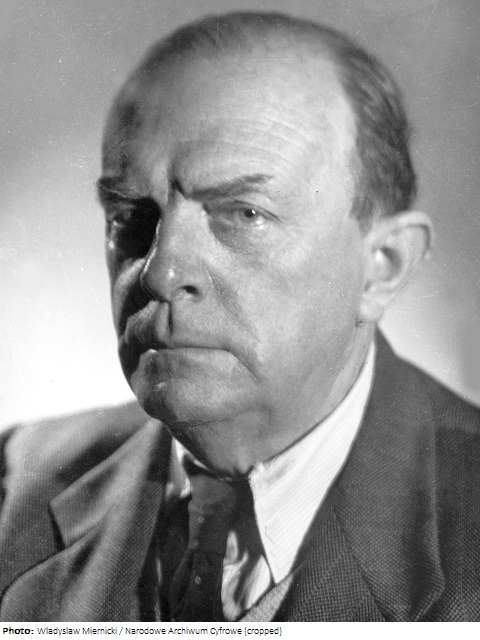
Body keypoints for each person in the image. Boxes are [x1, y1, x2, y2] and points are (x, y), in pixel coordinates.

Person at [1, 11, 480, 623]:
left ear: (382, 266)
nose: (160, 273)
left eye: (244, 213)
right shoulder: (16, 482)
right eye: (129, 217)